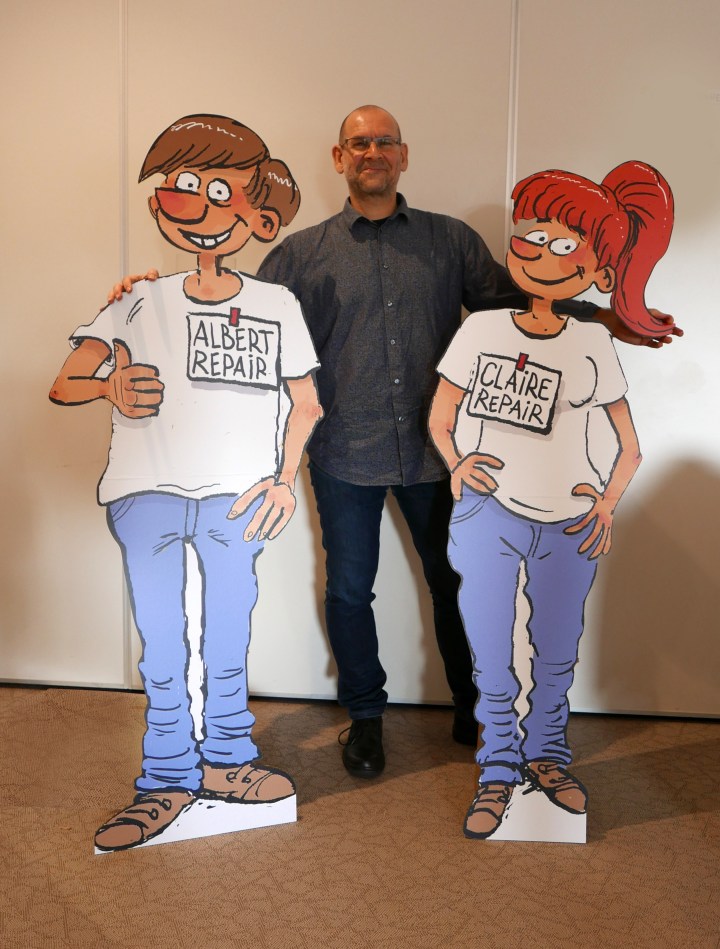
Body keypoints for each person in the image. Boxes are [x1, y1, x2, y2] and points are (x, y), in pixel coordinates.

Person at [111, 106, 680, 782]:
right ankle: (366, 717)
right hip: (343, 453)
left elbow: (517, 301)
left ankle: (474, 708)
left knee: (455, 582)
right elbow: (238, 322)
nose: (371, 151)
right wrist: (151, 297)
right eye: (358, 142)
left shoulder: (450, 241)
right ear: (339, 157)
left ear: (403, 156)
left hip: (438, 455)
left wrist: (606, 316)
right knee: (351, 590)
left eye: (384, 141)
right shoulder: (301, 253)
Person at [50, 114, 322, 850]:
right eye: (180, 184)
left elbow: (305, 403)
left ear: (258, 217)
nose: (192, 202)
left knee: (228, 635)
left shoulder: (275, 304)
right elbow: (67, 379)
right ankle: (167, 777)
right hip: (147, 493)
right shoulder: (141, 298)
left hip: (236, 497)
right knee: (163, 643)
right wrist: (109, 384)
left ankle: (227, 760)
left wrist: (284, 482)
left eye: (215, 189)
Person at [428, 161, 674, 838]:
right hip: (489, 516)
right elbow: (441, 417)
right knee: (491, 654)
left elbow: (630, 446)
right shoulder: (482, 329)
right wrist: (457, 464)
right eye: (532, 235)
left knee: (556, 652)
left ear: (598, 270)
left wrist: (606, 505)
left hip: (570, 523)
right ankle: (497, 768)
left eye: (565, 244)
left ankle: (548, 758)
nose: (541, 251)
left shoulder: (593, 340)